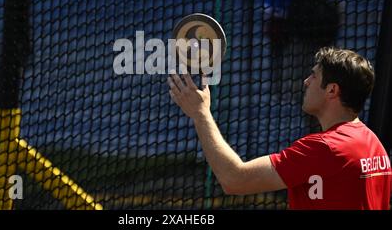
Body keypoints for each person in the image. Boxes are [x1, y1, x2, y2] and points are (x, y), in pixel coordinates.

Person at [167, 47, 391, 209]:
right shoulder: (375, 146)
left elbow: (234, 179)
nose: (306, 81)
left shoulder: (324, 148)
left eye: (314, 75)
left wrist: (200, 113)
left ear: (332, 90)